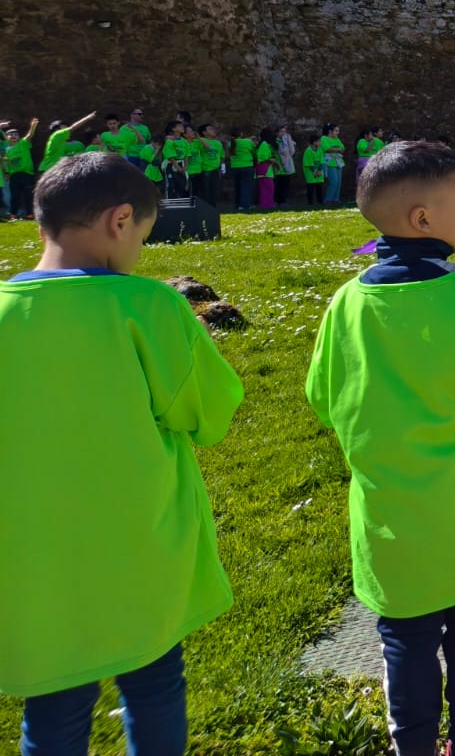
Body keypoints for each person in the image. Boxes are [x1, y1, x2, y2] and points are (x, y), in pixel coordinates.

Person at [307, 142, 455, 756]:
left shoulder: (346, 305)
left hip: (391, 517)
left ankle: (410, 747)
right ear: (423, 220)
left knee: (404, 636)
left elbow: (322, 396)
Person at [0, 153, 243, 753]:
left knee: (53, 704)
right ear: (120, 220)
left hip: (31, 563)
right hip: (141, 549)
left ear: (41, 224)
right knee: (156, 683)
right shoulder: (149, 307)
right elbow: (209, 414)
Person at [4, 118, 39, 219]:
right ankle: (13, 214)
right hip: (14, 175)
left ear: (19, 137)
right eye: (11, 134)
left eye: (16, 134)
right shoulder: (6, 150)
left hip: (26, 174)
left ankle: (30, 214)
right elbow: (7, 163)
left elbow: (29, 136)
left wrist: (33, 126)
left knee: (28, 195)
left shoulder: (23, 144)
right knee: (15, 196)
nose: (13, 136)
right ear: (6, 138)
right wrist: (7, 173)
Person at [319, 125, 347, 204]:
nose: (337, 133)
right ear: (330, 131)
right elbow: (326, 148)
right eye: (336, 131)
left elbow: (343, 148)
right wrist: (337, 149)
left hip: (338, 162)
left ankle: (335, 199)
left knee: (338, 182)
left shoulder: (337, 139)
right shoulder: (324, 138)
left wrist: (336, 150)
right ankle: (328, 200)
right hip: (330, 162)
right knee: (333, 181)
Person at [255, 127, 279, 211]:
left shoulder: (265, 144)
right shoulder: (264, 144)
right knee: (267, 187)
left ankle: (268, 203)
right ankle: (266, 204)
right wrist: (271, 159)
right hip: (265, 170)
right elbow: (261, 157)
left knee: (268, 187)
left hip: (267, 170)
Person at [302, 137, 327, 208]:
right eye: (319, 141)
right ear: (314, 142)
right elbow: (308, 163)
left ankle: (320, 202)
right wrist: (314, 171)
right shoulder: (308, 151)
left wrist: (320, 170)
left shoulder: (320, 150)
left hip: (319, 172)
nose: (320, 143)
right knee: (311, 188)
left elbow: (322, 161)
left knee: (319, 187)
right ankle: (310, 203)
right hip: (310, 172)